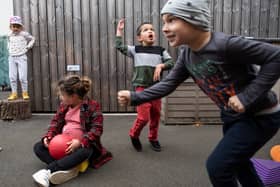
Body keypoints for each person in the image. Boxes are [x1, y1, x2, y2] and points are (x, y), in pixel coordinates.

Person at [118, 0, 280, 186]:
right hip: (232, 117)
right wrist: (135, 96)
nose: (164, 28)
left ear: (194, 19)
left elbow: (276, 57)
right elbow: (168, 83)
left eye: (171, 20)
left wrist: (246, 96)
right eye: (164, 22)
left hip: (260, 117)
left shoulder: (225, 44)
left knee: (218, 167)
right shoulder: (187, 55)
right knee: (238, 163)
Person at [32, 75, 112, 187]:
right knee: (38, 147)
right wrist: (49, 137)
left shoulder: (92, 106)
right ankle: (71, 167)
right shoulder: (64, 106)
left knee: (85, 151)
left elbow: (97, 129)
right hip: (62, 144)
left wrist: (80, 142)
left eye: (62, 95)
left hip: (81, 146)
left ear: (73, 96)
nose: (60, 97)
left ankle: (48, 171)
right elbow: (56, 123)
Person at [116, 18, 174, 152]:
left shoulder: (161, 50)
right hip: (141, 88)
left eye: (152, 29)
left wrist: (162, 65)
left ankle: (153, 138)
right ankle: (134, 134)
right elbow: (119, 46)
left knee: (156, 115)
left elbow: (171, 63)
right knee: (143, 118)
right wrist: (119, 30)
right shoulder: (135, 50)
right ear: (139, 37)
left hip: (157, 89)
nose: (150, 31)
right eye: (146, 30)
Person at [7, 16, 35, 100]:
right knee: (12, 77)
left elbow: (33, 38)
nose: (15, 28)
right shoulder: (9, 35)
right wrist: (8, 48)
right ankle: (14, 93)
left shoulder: (24, 34)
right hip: (12, 57)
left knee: (22, 77)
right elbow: (8, 42)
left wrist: (28, 46)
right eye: (13, 26)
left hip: (21, 56)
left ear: (20, 27)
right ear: (11, 27)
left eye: (17, 26)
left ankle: (24, 93)